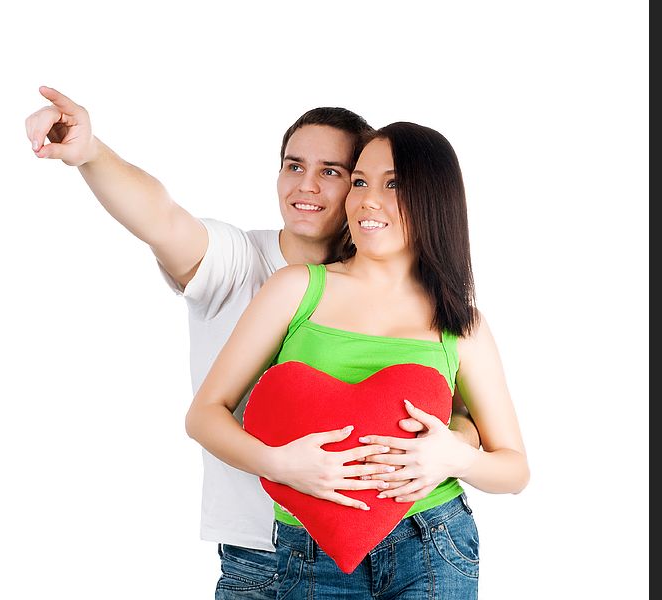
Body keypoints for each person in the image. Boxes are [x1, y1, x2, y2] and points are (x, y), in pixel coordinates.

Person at [24, 89, 482, 598]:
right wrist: (91, 152)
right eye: (293, 165)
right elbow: (161, 217)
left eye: (334, 172)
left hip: (393, 536)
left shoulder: (412, 298)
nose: (306, 185)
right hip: (258, 547)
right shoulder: (239, 261)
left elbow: (453, 403)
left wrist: (458, 444)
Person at [185, 122, 529, 598]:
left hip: (432, 541)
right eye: (361, 181)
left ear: (433, 199)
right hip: (309, 545)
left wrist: (456, 456)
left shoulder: (460, 321)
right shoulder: (297, 288)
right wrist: (278, 463)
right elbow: (204, 415)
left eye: (393, 185)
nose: (368, 199)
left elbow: (514, 469)